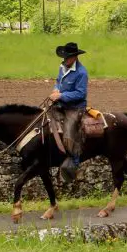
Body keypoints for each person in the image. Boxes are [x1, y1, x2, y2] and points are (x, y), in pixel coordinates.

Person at [48, 42, 88, 171]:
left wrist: (61, 96)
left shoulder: (82, 73)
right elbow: (58, 81)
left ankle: (75, 162)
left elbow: (80, 94)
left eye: (67, 57)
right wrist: (55, 90)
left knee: (69, 131)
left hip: (75, 108)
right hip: (61, 103)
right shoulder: (63, 67)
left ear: (75, 57)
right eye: (64, 57)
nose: (65, 60)